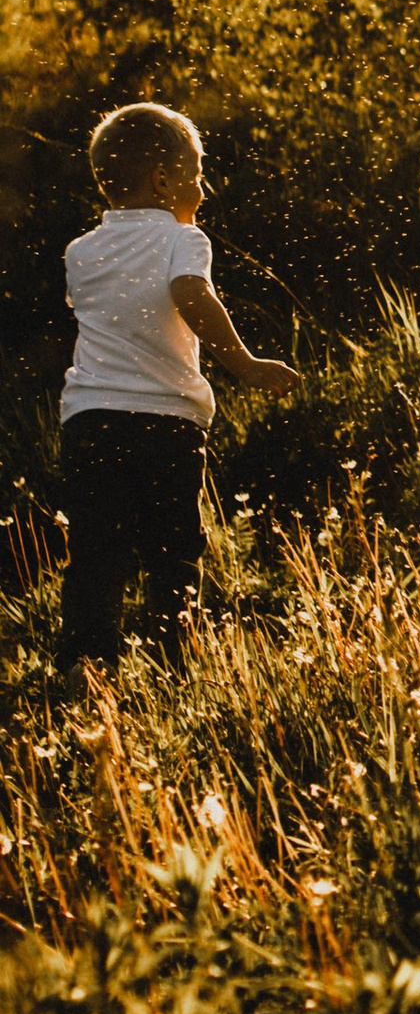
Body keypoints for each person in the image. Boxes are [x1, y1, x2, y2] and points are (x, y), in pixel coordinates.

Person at [57, 101, 297, 672]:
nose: (204, 186)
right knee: (173, 549)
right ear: (163, 179)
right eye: (196, 171)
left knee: (95, 551)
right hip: (165, 421)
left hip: (89, 419)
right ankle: (173, 660)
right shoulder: (182, 239)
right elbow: (191, 295)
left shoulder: (80, 251)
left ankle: (83, 666)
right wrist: (244, 364)